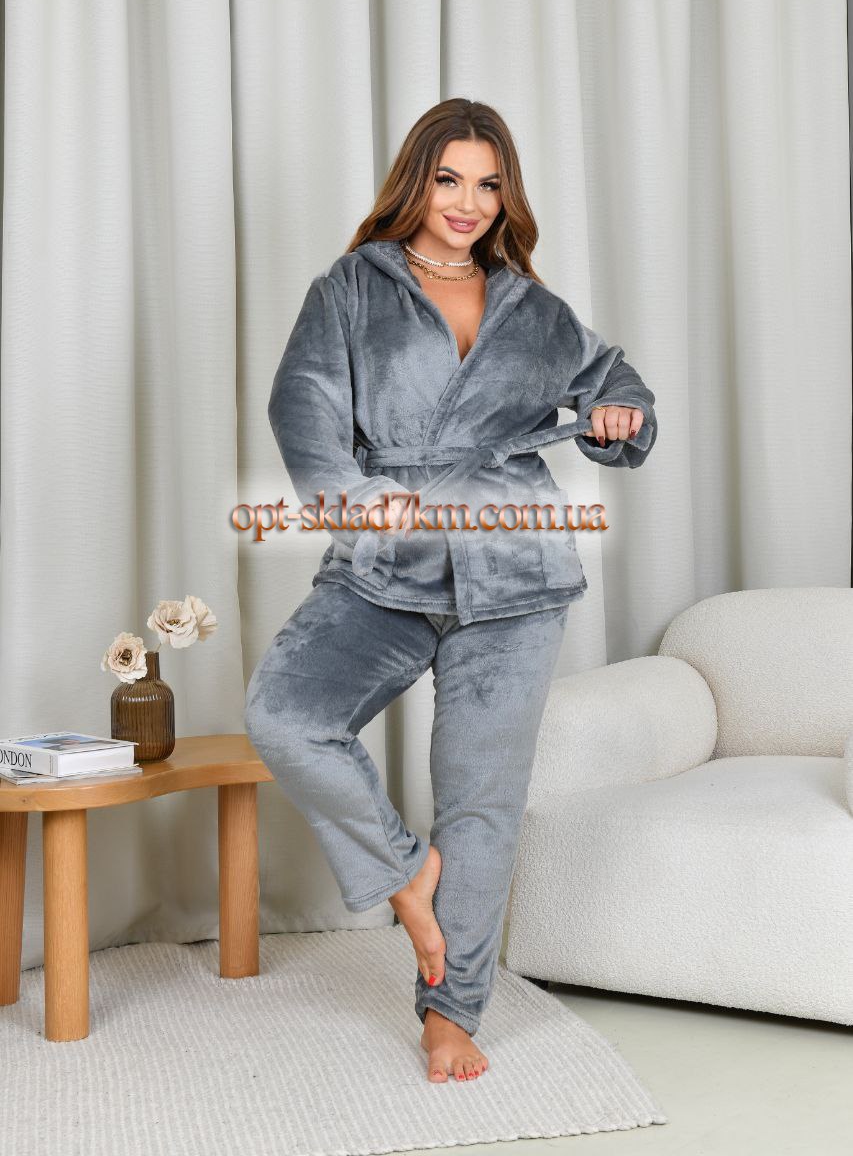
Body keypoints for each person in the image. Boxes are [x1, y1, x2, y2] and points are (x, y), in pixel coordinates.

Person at [244, 98, 658, 1084]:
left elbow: (619, 384)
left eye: (487, 184)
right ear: (415, 182)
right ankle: (406, 870)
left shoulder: (532, 309)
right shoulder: (353, 287)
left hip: (516, 570)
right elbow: (302, 406)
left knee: (481, 800)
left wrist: (616, 414)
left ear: (505, 196)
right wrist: (359, 505)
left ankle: (449, 1010)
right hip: (388, 562)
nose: (467, 202)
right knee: (286, 713)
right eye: (447, 179)